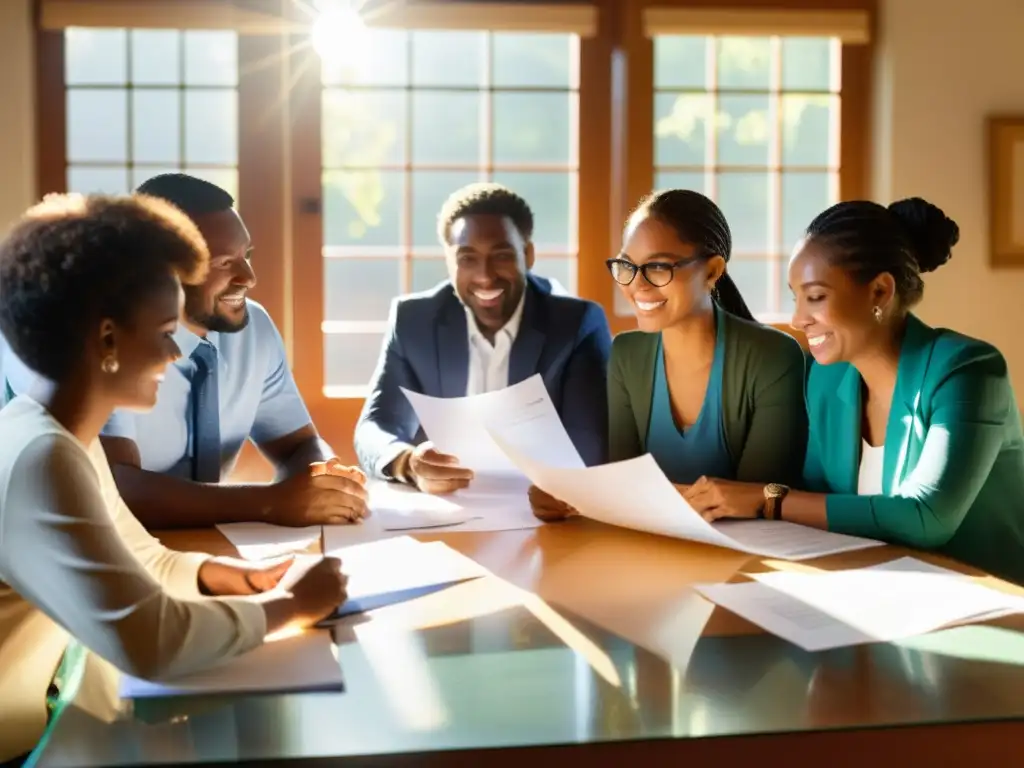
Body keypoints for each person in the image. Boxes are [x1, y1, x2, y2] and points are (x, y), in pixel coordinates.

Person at [0, 194, 347, 764]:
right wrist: (292, 608)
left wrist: (228, 576)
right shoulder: (43, 456)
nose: (172, 352)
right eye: (164, 331)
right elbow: (149, 641)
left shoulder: (64, 439)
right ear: (107, 341)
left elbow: (144, 559)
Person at [682, 197, 1024, 584]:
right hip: (880, 590)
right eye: (796, 298)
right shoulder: (828, 379)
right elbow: (810, 497)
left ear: (879, 291)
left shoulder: (968, 370)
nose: (798, 319)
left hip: (990, 602)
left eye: (815, 297)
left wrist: (766, 498)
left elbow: (926, 517)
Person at [4, 173, 367, 529]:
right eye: (225, 263)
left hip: (192, 547)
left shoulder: (253, 328)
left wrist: (326, 481)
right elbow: (116, 488)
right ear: (166, 271)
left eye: (247, 255)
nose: (249, 277)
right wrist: (271, 503)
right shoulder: (105, 339)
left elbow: (298, 446)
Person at [530, 189, 807, 521]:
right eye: (627, 265)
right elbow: (623, 479)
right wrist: (568, 494)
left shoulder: (773, 357)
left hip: (750, 556)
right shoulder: (626, 354)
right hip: (649, 545)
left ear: (712, 271)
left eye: (658, 267)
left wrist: (626, 492)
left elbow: (750, 500)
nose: (637, 285)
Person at [354, 182, 612, 493]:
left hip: (542, 507)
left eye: (501, 256)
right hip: (447, 507)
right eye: (467, 258)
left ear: (528, 255)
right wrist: (407, 463)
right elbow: (376, 427)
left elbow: (590, 444)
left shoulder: (576, 325)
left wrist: (556, 492)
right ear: (449, 261)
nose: (485, 276)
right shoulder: (414, 321)